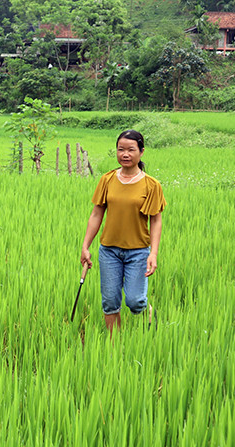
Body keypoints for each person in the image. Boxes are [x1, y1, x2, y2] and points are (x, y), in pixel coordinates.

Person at [80, 130, 166, 335]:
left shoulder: (151, 185)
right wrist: (85, 246)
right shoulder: (107, 179)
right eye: (121, 149)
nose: (125, 154)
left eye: (130, 150)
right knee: (110, 301)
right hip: (109, 251)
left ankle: (147, 312)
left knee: (135, 302)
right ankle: (115, 347)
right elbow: (96, 214)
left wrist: (153, 253)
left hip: (138, 251)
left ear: (141, 152)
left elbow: (156, 220)